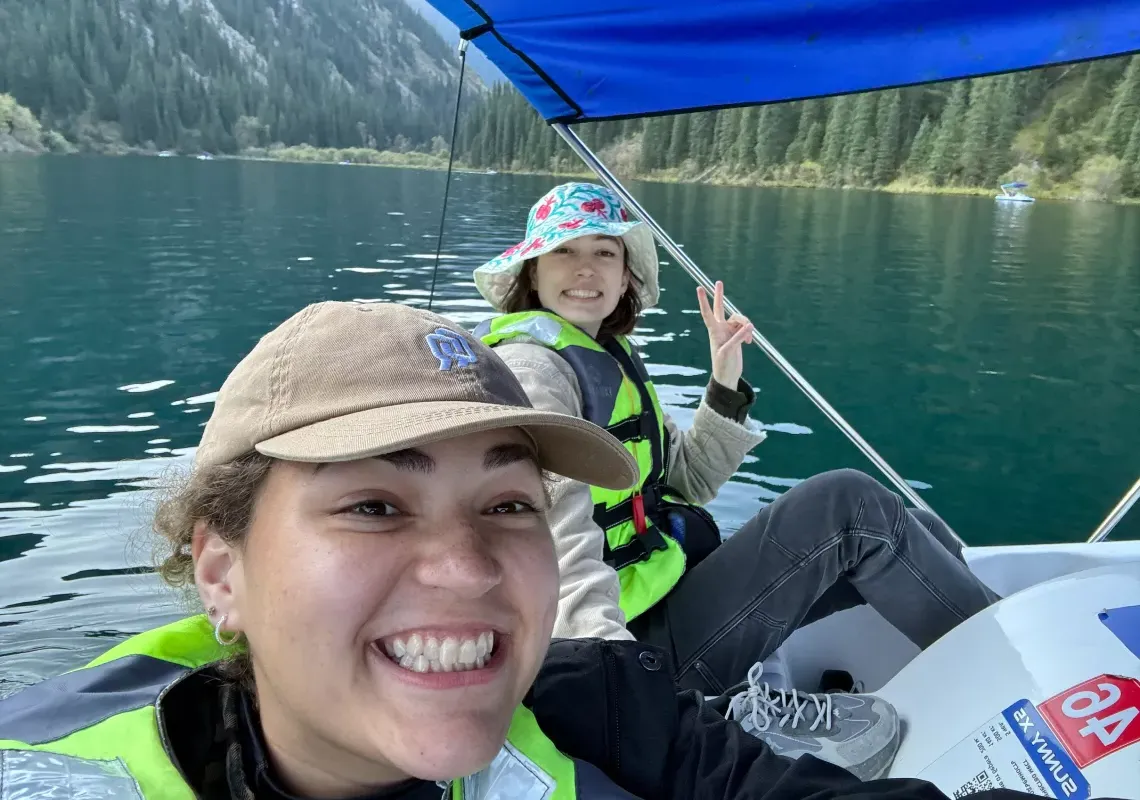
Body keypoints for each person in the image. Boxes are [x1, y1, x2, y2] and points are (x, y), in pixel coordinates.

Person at [0, 299, 1045, 800]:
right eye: (371, 505)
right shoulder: (47, 773)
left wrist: (728, 380)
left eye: (506, 503)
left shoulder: (590, 706)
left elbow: (671, 479)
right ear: (220, 569)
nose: (464, 564)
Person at [471, 182, 1004, 780]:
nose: (586, 270)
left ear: (625, 277)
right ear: (532, 272)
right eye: (565, 251)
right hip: (619, 657)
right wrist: (619, 688)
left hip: (654, 608)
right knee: (849, 507)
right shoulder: (536, 370)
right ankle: (1015, 661)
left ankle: (985, 667)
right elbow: (554, 540)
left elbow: (688, 482)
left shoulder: (606, 357)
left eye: (605, 252)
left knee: (913, 528)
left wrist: (724, 382)